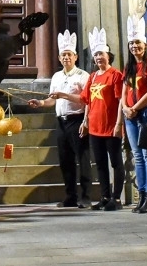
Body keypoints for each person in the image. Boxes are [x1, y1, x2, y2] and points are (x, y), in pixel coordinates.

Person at [27, 30, 91, 209]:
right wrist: (40, 102)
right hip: (61, 122)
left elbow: (86, 100)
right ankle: (70, 196)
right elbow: (51, 99)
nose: (66, 58)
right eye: (63, 55)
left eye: (69, 55)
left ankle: (85, 196)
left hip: (77, 120)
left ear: (76, 56)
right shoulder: (56, 76)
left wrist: (64, 95)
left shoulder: (83, 76)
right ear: (59, 57)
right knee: (65, 161)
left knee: (83, 159)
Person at [80, 27, 124, 211]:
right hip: (95, 127)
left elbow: (121, 100)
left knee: (115, 162)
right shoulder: (92, 77)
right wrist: (85, 121)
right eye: (96, 54)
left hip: (111, 126)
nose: (99, 57)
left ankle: (117, 198)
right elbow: (87, 101)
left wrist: (119, 124)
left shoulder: (115, 75)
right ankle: (105, 196)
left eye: (102, 54)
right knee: (100, 164)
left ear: (109, 55)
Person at [122, 14, 147, 213]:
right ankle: (142, 196)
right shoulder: (129, 66)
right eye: (131, 43)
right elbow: (122, 93)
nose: (134, 46)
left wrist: (135, 108)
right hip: (129, 114)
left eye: (137, 42)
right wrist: (125, 108)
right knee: (137, 155)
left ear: (145, 45)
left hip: (146, 112)